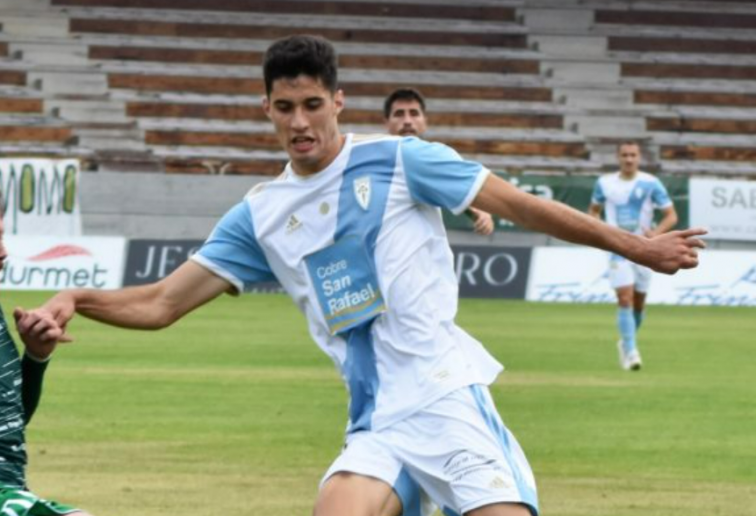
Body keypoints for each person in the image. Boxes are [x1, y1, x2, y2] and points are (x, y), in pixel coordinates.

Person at [16, 36, 705, 516]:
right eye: (284, 109)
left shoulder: (405, 161)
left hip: (444, 399)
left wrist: (636, 247)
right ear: (266, 111)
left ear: (338, 102)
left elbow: (522, 206)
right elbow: (163, 302)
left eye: (311, 105)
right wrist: (76, 295)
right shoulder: (260, 213)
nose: (299, 123)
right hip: (374, 422)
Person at [0, 198, 92, 516]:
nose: (3, 252)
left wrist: (36, 358)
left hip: (11, 489)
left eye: (1, 236)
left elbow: (9, 420)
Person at [588, 142, 679, 371]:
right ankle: (631, 351)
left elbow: (671, 215)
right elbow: (593, 212)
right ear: (618, 157)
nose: (629, 159)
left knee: (638, 304)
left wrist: (655, 236)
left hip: (644, 250)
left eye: (633, 155)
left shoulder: (651, 183)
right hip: (618, 250)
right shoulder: (604, 183)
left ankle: (626, 341)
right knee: (625, 299)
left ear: (639, 158)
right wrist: (601, 234)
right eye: (625, 155)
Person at [383, 87, 495, 236]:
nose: (407, 121)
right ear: (386, 122)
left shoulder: (433, 160)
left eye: (414, 113)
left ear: (425, 122)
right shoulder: (372, 160)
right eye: (399, 114)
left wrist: (480, 212)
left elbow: (463, 187)